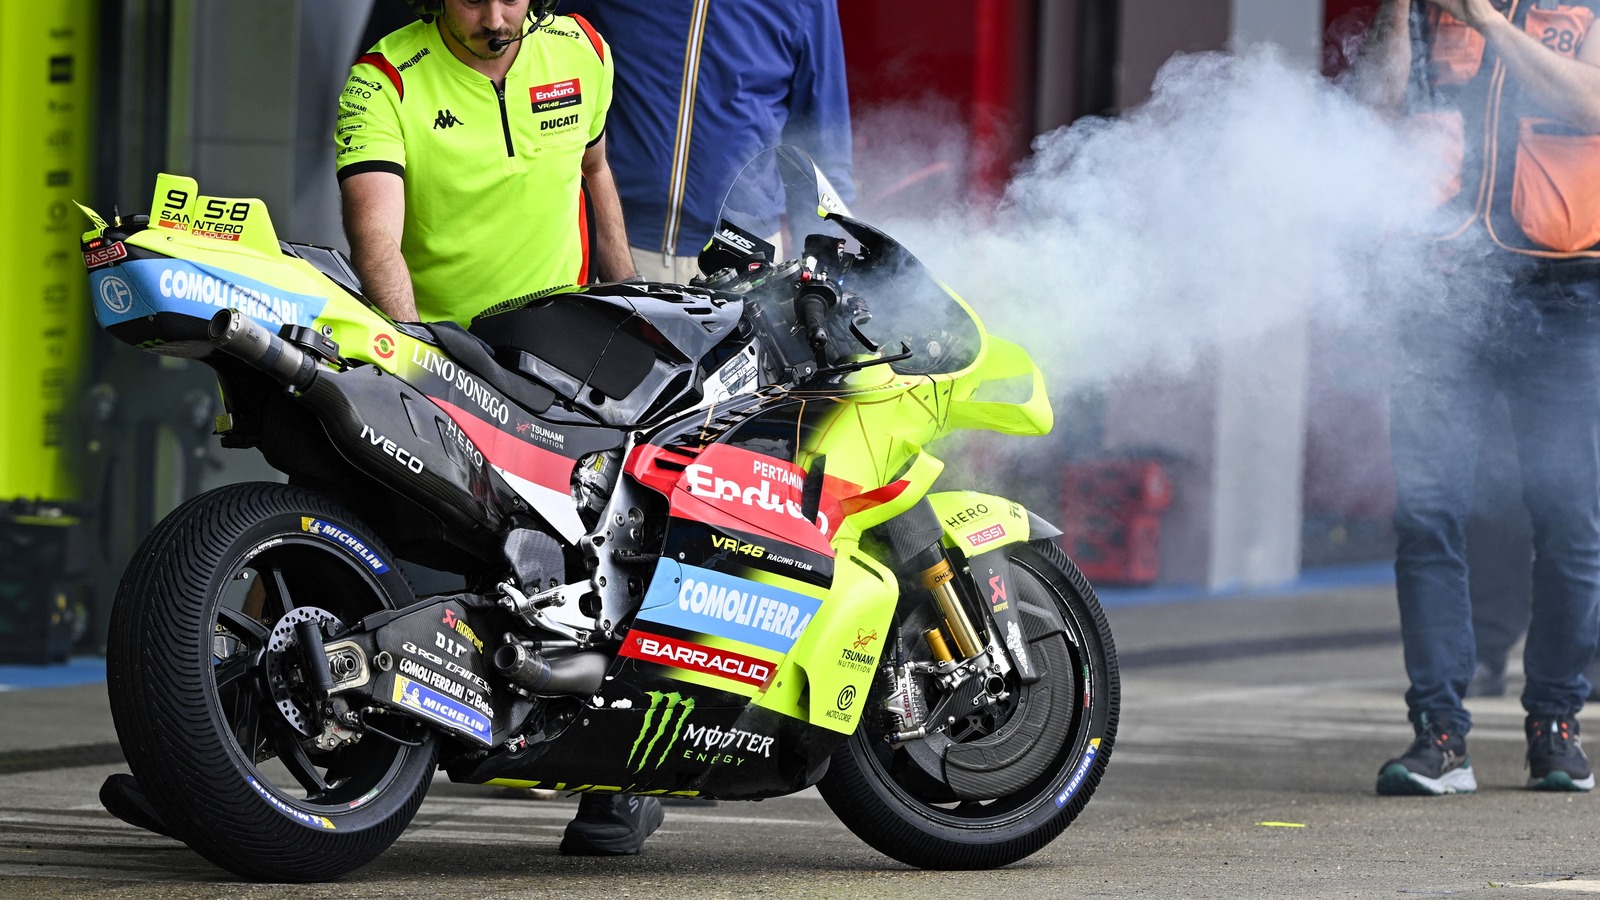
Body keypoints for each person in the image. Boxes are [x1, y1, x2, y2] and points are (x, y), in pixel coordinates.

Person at [99, 0, 662, 857]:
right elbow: (379, 244)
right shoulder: (384, 81)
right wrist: (417, 367)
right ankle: (215, 747)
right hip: (445, 345)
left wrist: (631, 312)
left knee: (609, 552)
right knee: (328, 498)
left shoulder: (580, 48)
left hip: (572, 354)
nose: (497, 16)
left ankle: (618, 788)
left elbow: (596, 175)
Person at [1356, 0, 1600, 796]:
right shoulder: (1426, 14)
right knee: (1427, 516)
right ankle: (1439, 734)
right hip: (1439, 286)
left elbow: (1592, 101)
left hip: (1567, 294)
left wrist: (1493, 23)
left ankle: (1555, 724)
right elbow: (1372, 109)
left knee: (1569, 520)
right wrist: (1398, 12)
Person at [557, 0, 854, 284]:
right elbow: (544, 52)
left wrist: (821, 270)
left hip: (746, 258)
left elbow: (823, 143)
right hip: (615, 242)